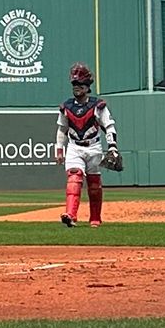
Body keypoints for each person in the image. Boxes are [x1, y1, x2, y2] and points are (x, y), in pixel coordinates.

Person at [55, 62, 118, 227]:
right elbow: (62, 129)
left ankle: (95, 218)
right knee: (74, 177)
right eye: (74, 84)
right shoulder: (66, 107)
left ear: (87, 86)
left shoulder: (97, 106)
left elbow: (109, 126)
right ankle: (70, 215)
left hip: (94, 147)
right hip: (74, 146)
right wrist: (59, 149)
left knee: (94, 183)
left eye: (80, 84)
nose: (76, 87)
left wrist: (112, 146)